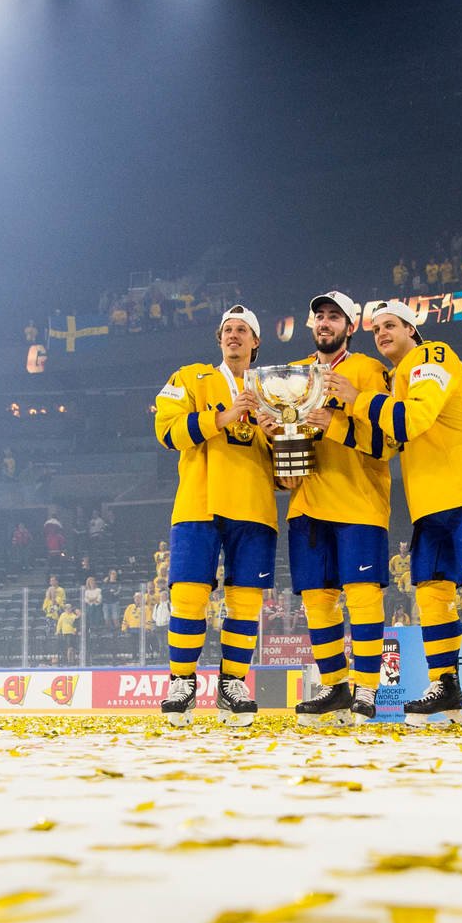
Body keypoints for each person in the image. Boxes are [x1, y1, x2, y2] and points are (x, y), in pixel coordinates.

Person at [329, 301, 462, 725]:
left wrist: (357, 399)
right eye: (376, 328)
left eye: (391, 325)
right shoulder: (397, 380)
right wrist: (331, 422)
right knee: (431, 595)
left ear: (413, 330)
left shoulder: (434, 355)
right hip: (429, 503)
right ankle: (445, 687)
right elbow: (385, 445)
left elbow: (412, 420)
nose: (381, 333)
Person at [154, 304, 279, 726]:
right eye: (228, 329)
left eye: (243, 329)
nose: (234, 335)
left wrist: (276, 437)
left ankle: (232, 684)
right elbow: (167, 432)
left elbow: (288, 460)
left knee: (245, 601)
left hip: (255, 505)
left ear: (256, 342)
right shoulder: (189, 377)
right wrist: (223, 416)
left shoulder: (275, 388)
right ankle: (182, 682)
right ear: (219, 338)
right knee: (189, 593)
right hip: (199, 501)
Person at [287, 292, 393, 727]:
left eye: (335, 317)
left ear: (350, 327)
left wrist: (332, 422)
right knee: (317, 601)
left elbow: (386, 443)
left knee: (364, 597)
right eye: (320, 317)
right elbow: (286, 444)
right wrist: (282, 440)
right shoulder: (292, 375)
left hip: (359, 501)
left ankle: (367, 687)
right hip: (307, 503)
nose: (325, 323)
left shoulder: (369, 369)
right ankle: (334, 686)